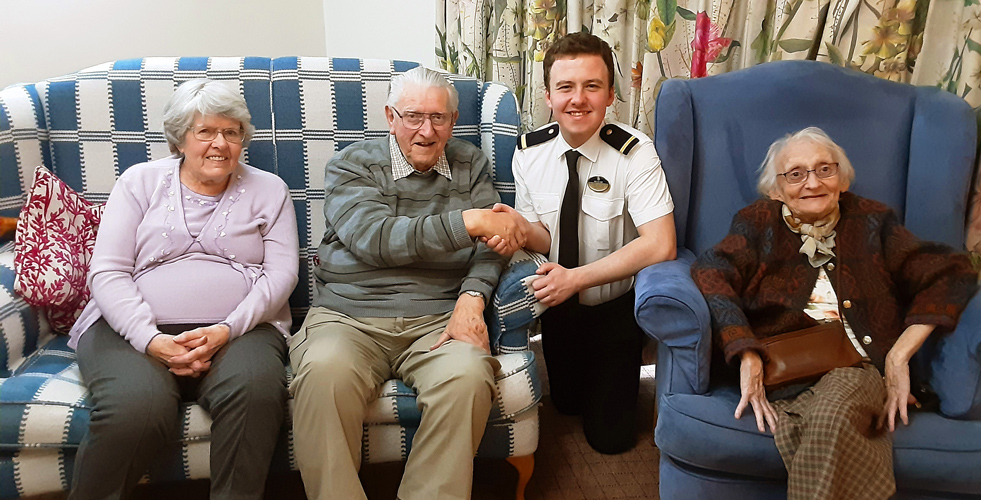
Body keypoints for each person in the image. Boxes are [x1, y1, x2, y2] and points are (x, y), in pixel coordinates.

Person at [690, 127, 979, 499]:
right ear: (776, 190)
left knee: (832, 413)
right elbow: (710, 272)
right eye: (796, 174)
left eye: (824, 169)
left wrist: (899, 355)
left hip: (857, 370)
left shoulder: (873, 221)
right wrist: (746, 351)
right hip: (786, 377)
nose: (812, 182)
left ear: (842, 179)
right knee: (824, 424)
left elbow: (952, 271)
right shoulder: (757, 222)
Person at [288, 67, 525, 500]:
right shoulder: (351, 164)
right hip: (348, 317)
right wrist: (468, 220)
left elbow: (493, 244)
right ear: (390, 117)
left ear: (453, 122)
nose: (426, 131)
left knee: (468, 377)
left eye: (439, 118)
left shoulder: (470, 163)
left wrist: (472, 299)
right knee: (323, 375)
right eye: (413, 116)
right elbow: (376, 238)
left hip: (438, 318)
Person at [66, 79, 299, 500]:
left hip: (242, 331)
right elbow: (108, 272)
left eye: (232, 132)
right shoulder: (139, 182)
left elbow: (281, 276)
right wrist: (150, 339)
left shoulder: (270, 189)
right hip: (129, 331)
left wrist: (226, 329)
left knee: (254, 393)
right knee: (137, 407)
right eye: (205, 131)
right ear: (179, 138)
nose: (220, 144)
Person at [503, 32, 677, 454]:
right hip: (559, 313)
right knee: (565, 406)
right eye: (565, 87)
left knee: (610, 440)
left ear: (610, 95)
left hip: (614, 313)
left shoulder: (636, 153)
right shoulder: (529, 153)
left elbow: (661, 245)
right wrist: (520, 230)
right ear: (548, 95)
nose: (577, 99)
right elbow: (544, 236)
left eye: (591, 86)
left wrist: (576, 279)